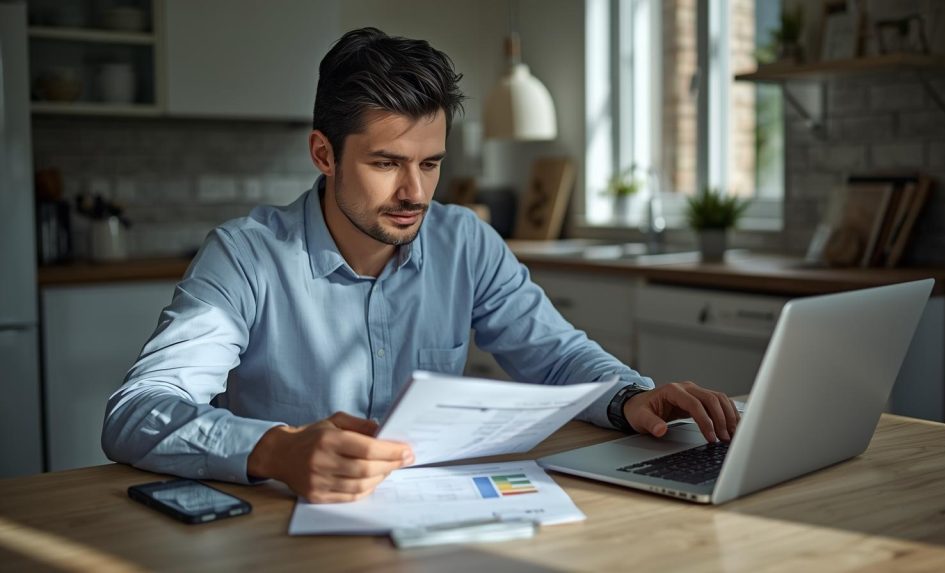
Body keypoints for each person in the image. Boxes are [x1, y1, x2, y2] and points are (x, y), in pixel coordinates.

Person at [102, 27, 739, 504]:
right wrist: (274, 449)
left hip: (444, 517)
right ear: (324, 153)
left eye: (430, 164)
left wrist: (632, 396)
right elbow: (139, 410)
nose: (415, 192)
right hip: (290, 534)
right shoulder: (245, 257)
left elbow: (557, 357)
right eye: (386, 163)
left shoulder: (466, 242)